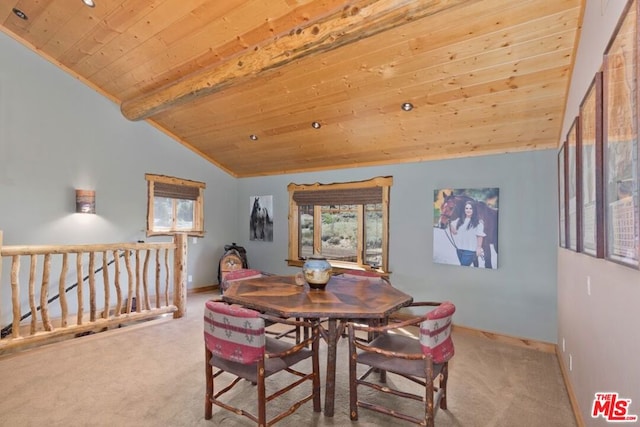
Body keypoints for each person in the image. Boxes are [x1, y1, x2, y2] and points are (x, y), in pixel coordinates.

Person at [449, 200, 486, 266]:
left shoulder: (478, 222)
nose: (468, 210)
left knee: (463, 265)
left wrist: (478, 248)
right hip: (459, 249)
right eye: (466, 208)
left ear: (474, 210)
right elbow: (454, 232)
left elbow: (480, 236)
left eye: (470, 208)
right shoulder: (459, 220)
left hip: (470, 251)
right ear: (464, 209)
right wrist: (448, 223)